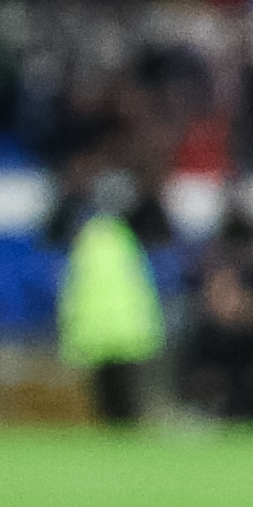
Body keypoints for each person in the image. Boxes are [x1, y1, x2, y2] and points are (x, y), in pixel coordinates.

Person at [59, 176, 161, 427]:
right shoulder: (124, 238)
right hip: (124, 330)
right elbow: (139, 285)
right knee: (126, 399)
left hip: (95, 331)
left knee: (106, 401)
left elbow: (73, 286)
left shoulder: (87, 237)